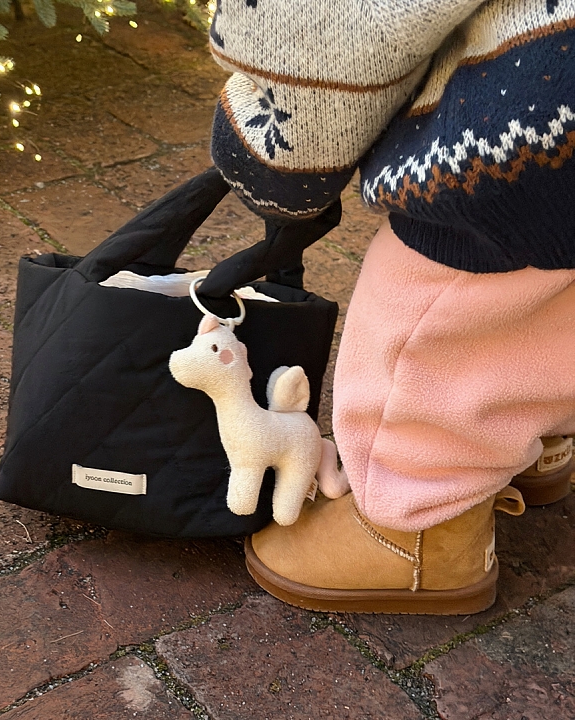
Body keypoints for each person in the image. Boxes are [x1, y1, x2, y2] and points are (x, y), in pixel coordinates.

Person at [199, 0, 575, 614]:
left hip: (518, 136)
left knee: (438, 319)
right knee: (553, 302)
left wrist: (274, 160)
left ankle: (417, 526)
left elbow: (338, 28)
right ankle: (538, 442)